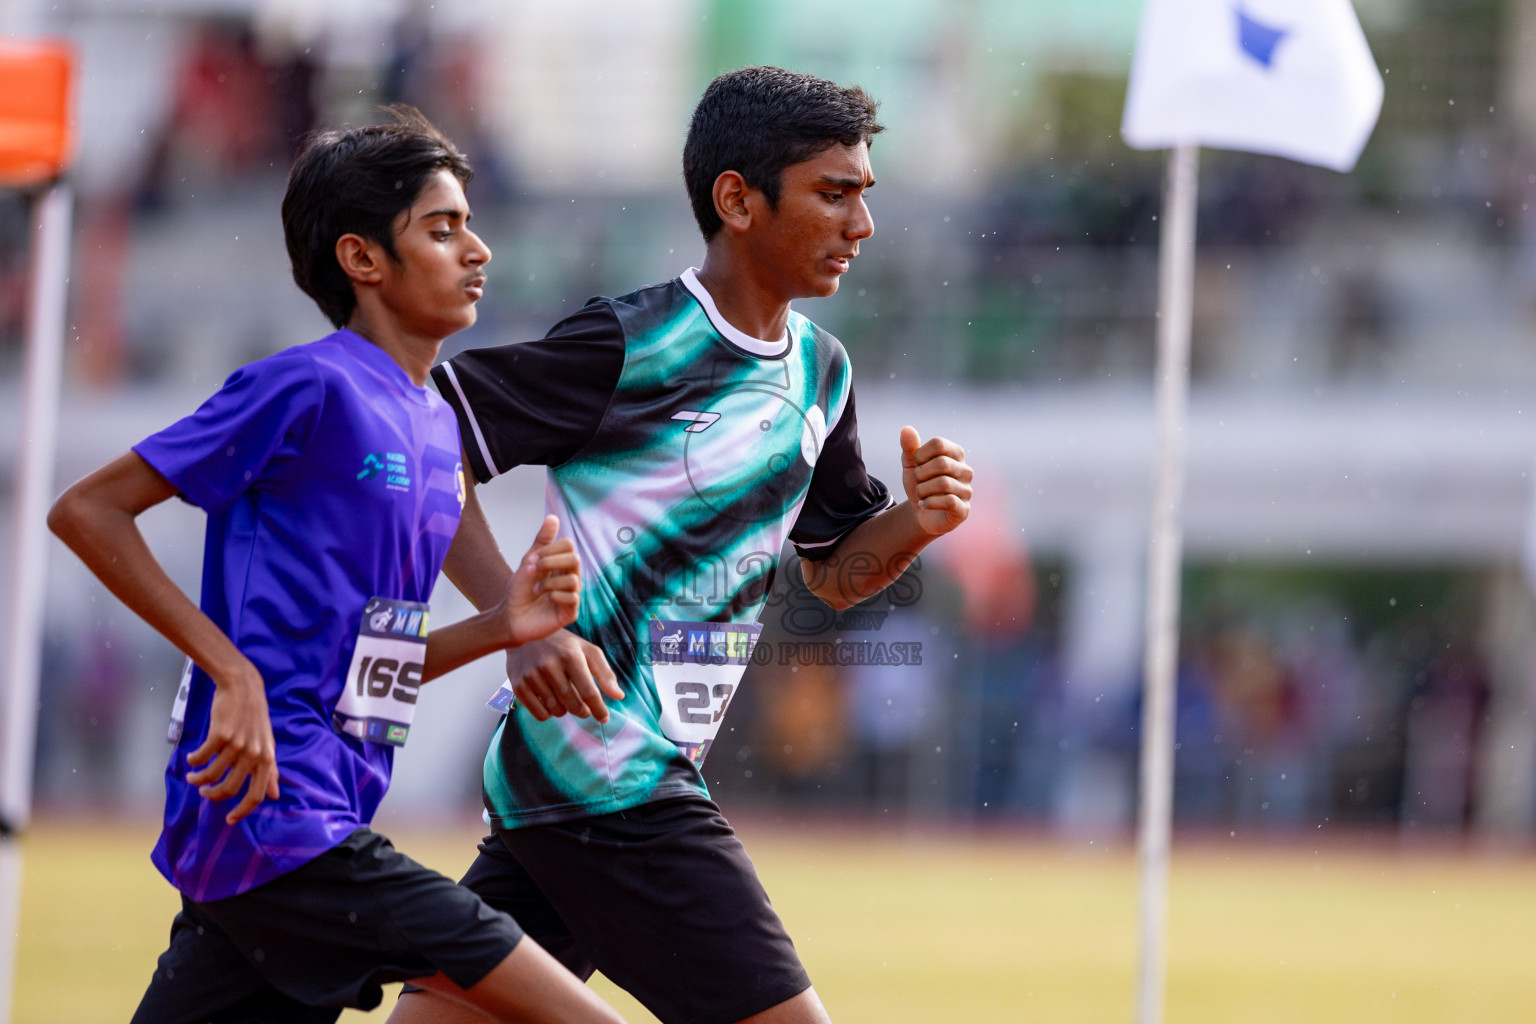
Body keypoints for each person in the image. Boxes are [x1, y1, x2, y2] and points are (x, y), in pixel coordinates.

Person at [392, 68, 974, 1024]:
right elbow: (420, 444)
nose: (861, 225)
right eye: (834, 193)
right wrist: (514, 622)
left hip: (573, 781)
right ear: (737, 200)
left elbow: (831, 576)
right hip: (611, 774)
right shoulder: (629, 345)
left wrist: (917, 520)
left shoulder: (824, 373)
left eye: (866, 195)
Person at [48, 106, 627, 1024]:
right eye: (443, 229)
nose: (477, 250)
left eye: (471, 225)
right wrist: (226, 668)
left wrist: (497, 628)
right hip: (278, 824)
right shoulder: (306, 386)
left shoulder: (438, 426)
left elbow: (369, 671)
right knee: (558, 1004)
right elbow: (86, 510)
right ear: (363, 260)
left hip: (301, 831)